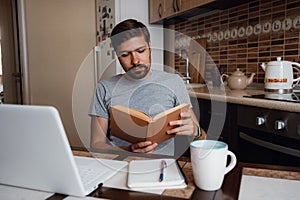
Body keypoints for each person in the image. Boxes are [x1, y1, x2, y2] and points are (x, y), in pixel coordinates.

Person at [89, 19, 206, 156]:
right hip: (122, 164)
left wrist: (195, 132)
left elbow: (202, 138)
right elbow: (96, 144)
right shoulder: (104, 88)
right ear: (117, 55)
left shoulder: (174, 82)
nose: (135, 61)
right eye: (125, 55)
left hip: (163, 167)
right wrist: (128, 150)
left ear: (149, 47)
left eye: (140, 50)